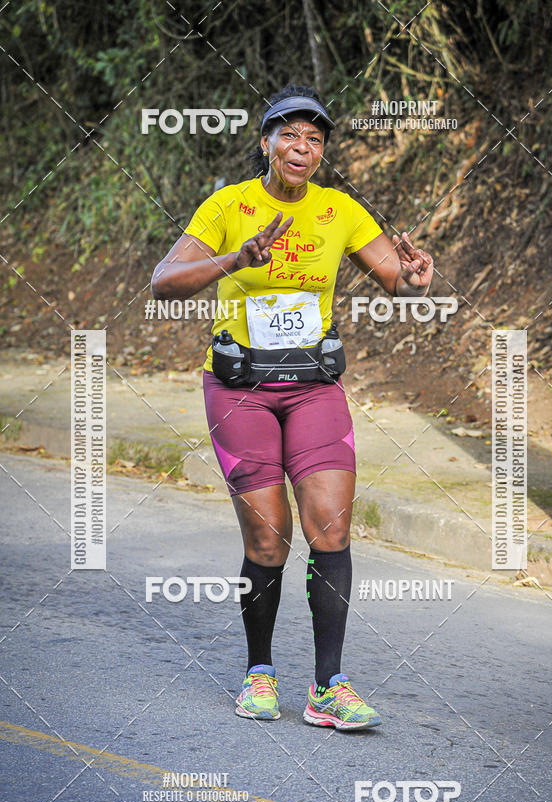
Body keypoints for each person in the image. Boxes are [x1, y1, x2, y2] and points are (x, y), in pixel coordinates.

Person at [151, 84, 433, 730]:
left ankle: (327, 686)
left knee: (330, 526)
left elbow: (398, 277)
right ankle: (259, 672)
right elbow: (162, 283)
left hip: (313, 386)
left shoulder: (338, 210)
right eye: (289, 135)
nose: (302, 148)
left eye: (314, 139)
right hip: (240, 389)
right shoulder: (229, 206)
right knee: (269, 534)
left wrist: (416, 281)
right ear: (266, 142)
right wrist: (234, 258)